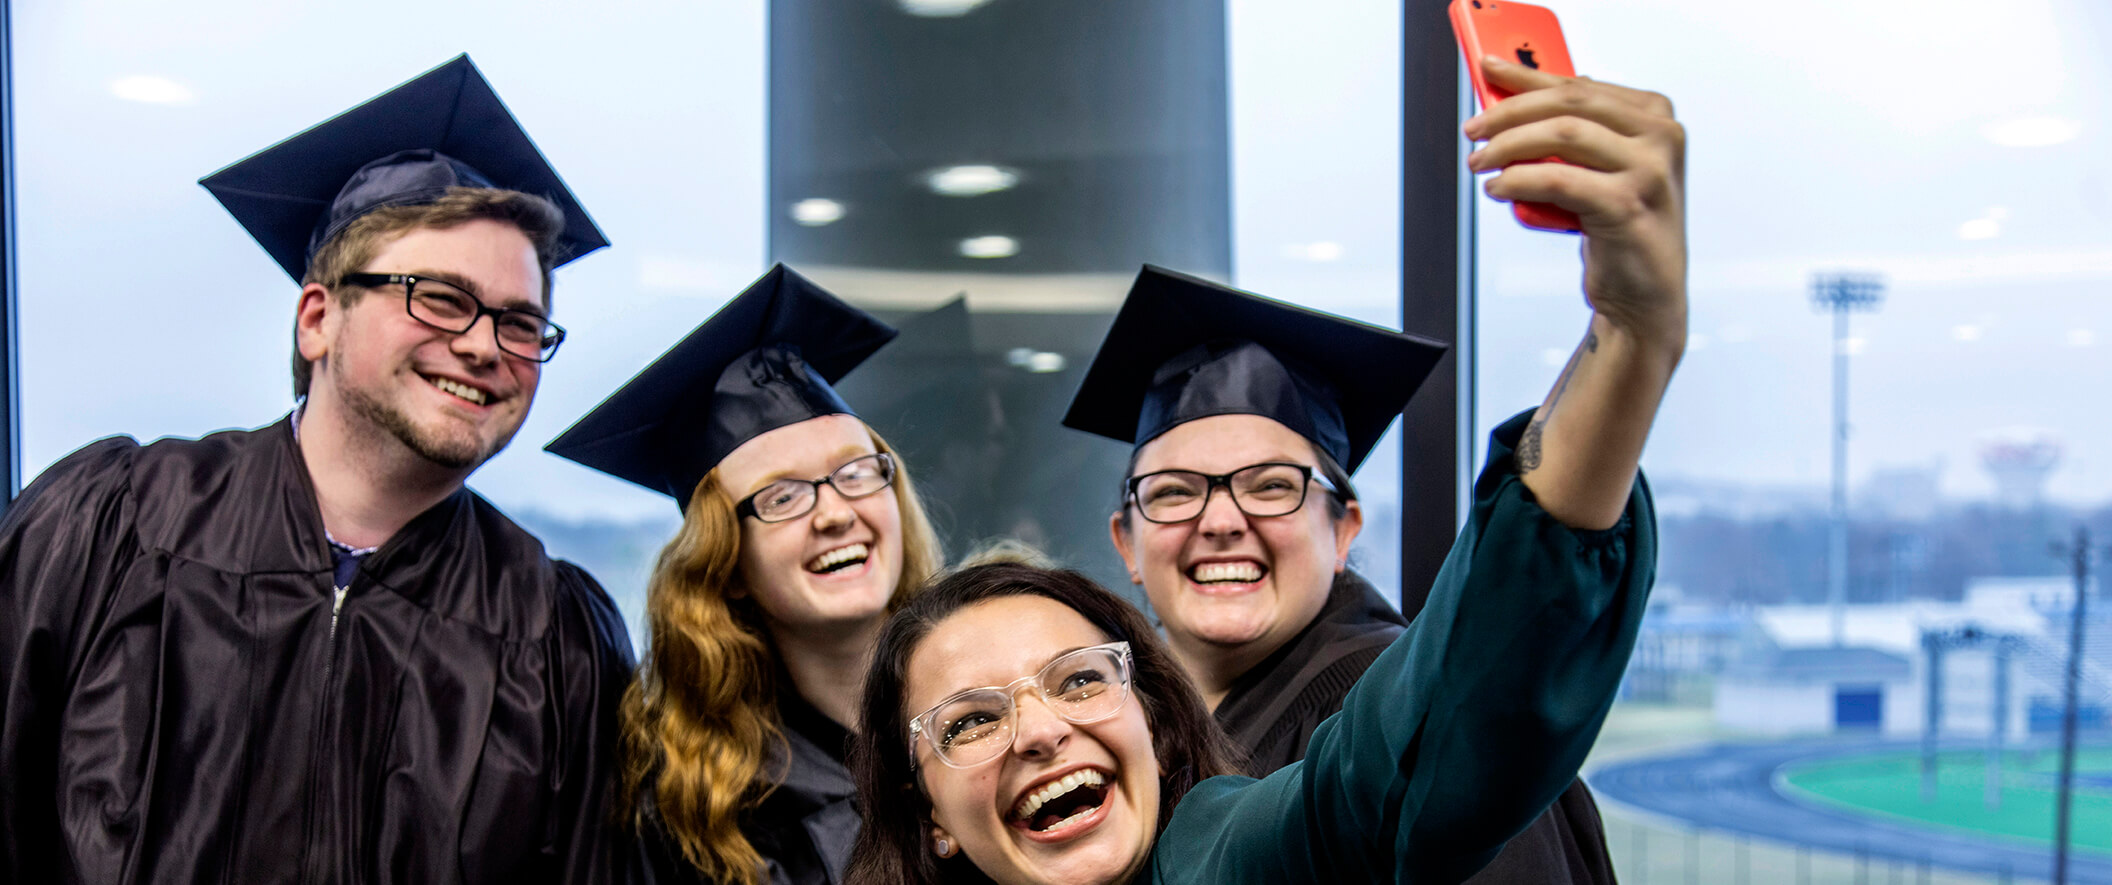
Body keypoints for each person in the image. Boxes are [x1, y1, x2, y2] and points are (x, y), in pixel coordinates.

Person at [845, 54, 1685, 884]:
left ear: (1345, 526)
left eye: (1271, 484)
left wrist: (1629, 337)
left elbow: (1443, 714)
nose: (1220, 519)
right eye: (969, 721)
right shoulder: (1182, 752)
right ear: (1124, 543)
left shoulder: (1270, 794)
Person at [0, 55, 635, 883]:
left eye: (520, 323)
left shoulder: (556, 638)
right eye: (440, 297)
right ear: (317, 319)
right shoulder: (113, 528)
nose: (484, 345)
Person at [546, 265, 946, 885]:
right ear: (727, 564)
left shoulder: (997, 699)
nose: (837, 513)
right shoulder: (699, 805)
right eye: (782, 497)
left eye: (857, 472)